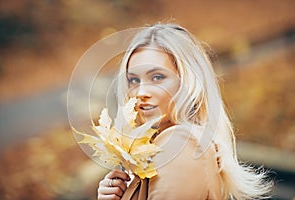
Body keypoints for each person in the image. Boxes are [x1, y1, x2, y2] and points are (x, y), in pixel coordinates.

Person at [97, 23, 272, 200]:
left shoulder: (180, 143)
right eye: (133, 80)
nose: (141, 92)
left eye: (157, 77)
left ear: (188, 82)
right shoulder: (168, 147)